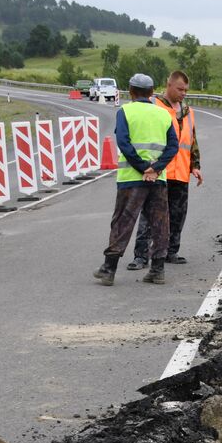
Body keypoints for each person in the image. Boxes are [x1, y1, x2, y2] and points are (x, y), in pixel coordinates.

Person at [94, 73, 178, 286]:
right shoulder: (163, 114)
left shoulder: (125, 111)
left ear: (130, 92)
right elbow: (172, 147)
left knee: (123, 221)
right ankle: (157, 270)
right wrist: (156, 169)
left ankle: (108, 269)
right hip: (158, 180)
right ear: (152, 93)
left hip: (131, 178)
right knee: (160, 223)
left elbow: (123, 143)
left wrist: (142, 168)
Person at [131, 70, 202, 270]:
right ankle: (141, 256)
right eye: (180, 89)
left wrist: (195, 166)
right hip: (159, 171)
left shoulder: (188, 111)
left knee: (178, 215)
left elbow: (192, 140)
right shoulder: (154, 106)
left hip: (180, 172)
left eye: (186, 90)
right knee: (150, 216)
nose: (183, 93)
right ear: (168, 85)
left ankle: (172, 251)